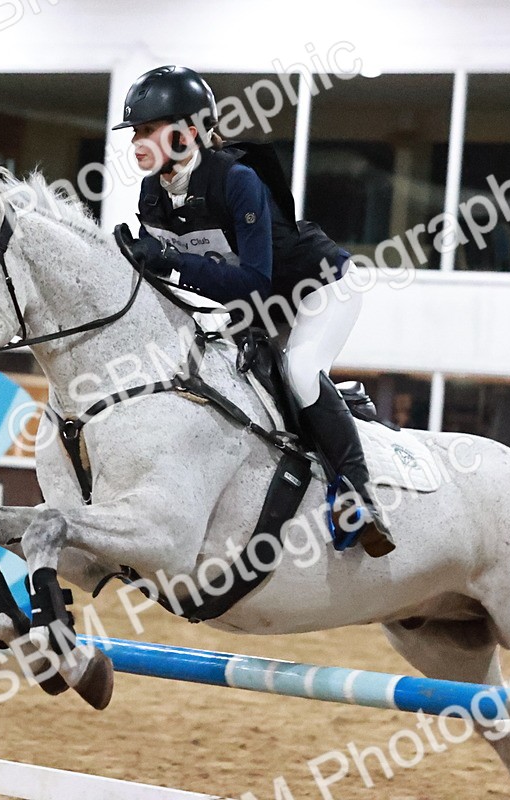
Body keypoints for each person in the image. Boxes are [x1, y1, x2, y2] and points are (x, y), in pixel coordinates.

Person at [114, 65, 394, 557]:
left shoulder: (237, 180)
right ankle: (343, 405)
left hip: (317, 287)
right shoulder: (152, 194)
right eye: (135, 131)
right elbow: (188, 283)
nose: (136, 142)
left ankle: (358, 496)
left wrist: (172, 260)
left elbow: (254, 279)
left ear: (187, 131)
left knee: (302, 370)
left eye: (147, 129)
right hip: (253, 309)